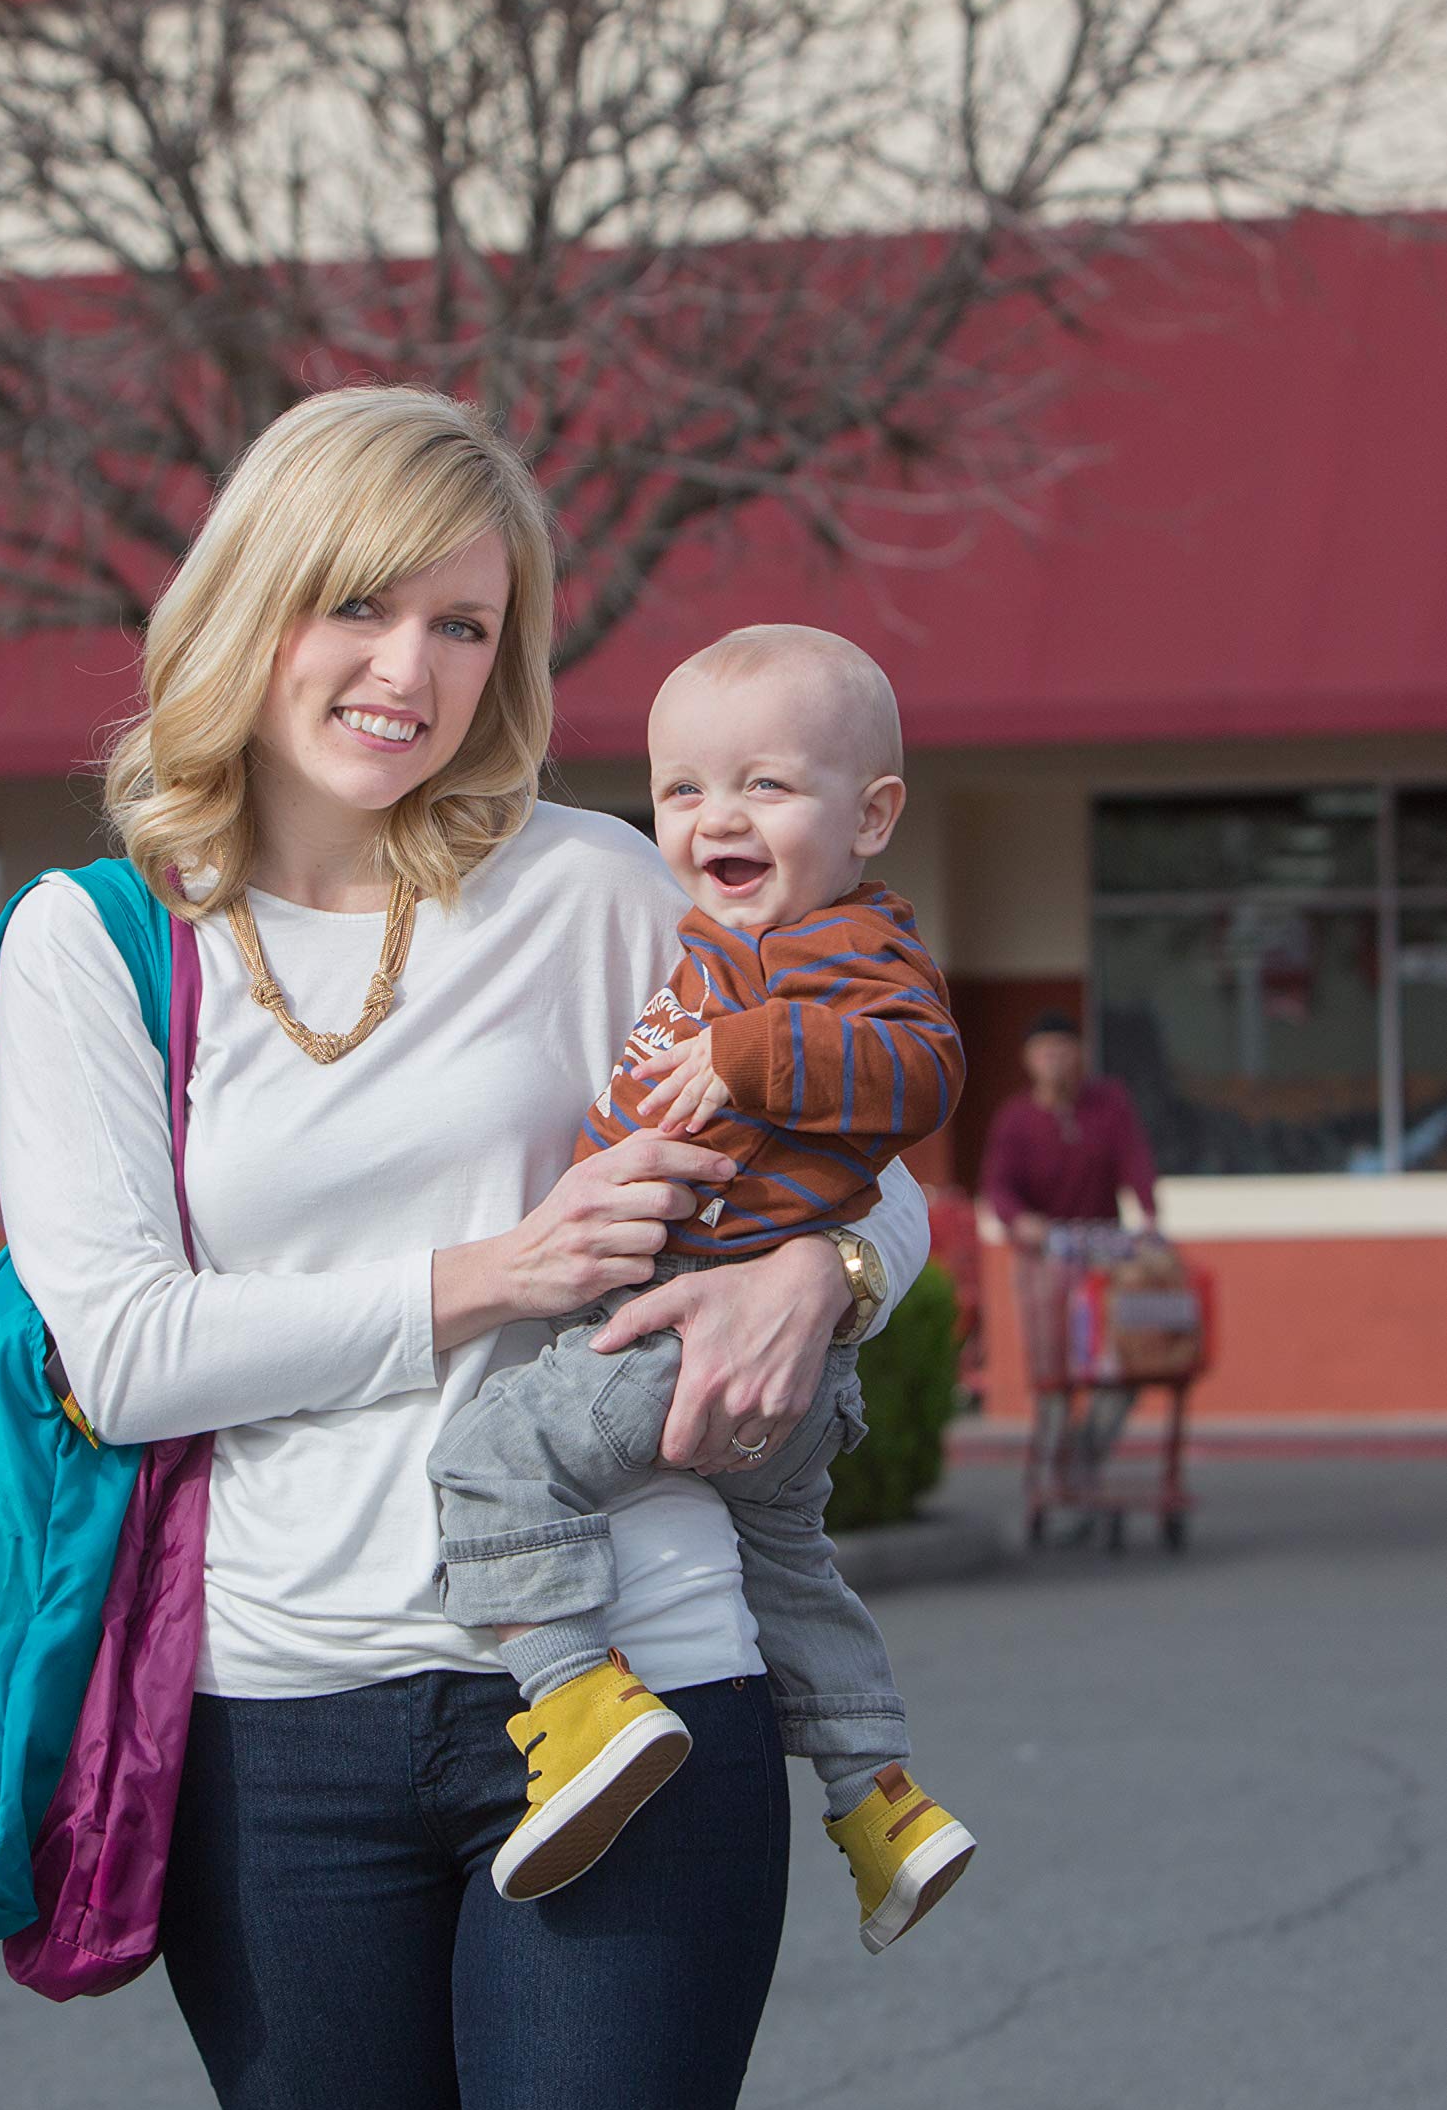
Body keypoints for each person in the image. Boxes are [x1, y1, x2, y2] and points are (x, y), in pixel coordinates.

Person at [0, 388, 930, 2110]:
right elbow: (119, 1354)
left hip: (639, 1685)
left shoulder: (593, 888)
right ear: (249, 602)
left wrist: (816, 1272)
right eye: (356, 603)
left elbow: (876, 1177)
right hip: (274, 1734)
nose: (403, 670)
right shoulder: (97, 944)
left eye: (461, 625)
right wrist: (483, 1276)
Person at [427, 624, 977, 1954]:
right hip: (759, 1372)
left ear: (874, 815)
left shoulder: (849, 956)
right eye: (682, 792)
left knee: (493, 1452)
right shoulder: (715, 939)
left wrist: (755, 1052)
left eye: (765, 787)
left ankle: (575, 1698)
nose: (715, 818)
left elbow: (925, 1078)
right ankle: (880, 1800)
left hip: (695, 1321)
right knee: (788, 1574)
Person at [981, 1010, 1161, 1479]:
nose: (1054, 1061)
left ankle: (1084, 1457)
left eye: (1063, 1050)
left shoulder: (1110, 1105)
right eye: (1045, 1052)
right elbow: (998, 1185)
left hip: (1104, 1253)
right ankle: (1055, 1467)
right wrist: (1021, 1222)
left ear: (1079, 1054)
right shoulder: (1016, 1119)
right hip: (1045, 1259)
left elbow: (1134, 1159)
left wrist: (1149, 1214)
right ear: (1028, 1060)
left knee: (1125, 1365)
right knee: (1053, 1373)